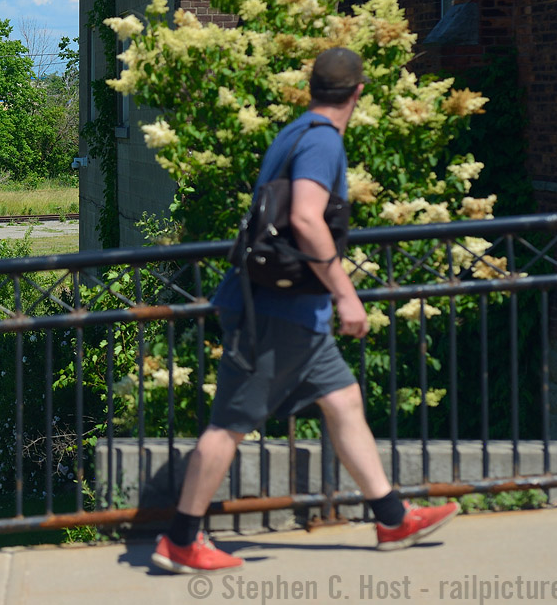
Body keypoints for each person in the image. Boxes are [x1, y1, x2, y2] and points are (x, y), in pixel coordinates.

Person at [152, 47, 459, 575]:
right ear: (358, 93)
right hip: (278, 314)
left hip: (293, 313)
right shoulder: (321, 142)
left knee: (342, 399)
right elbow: (307, 217)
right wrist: (345, 293)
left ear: (313, 88)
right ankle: (181, 540)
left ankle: (391, 517)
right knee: (229, 424)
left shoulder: (294, 131)